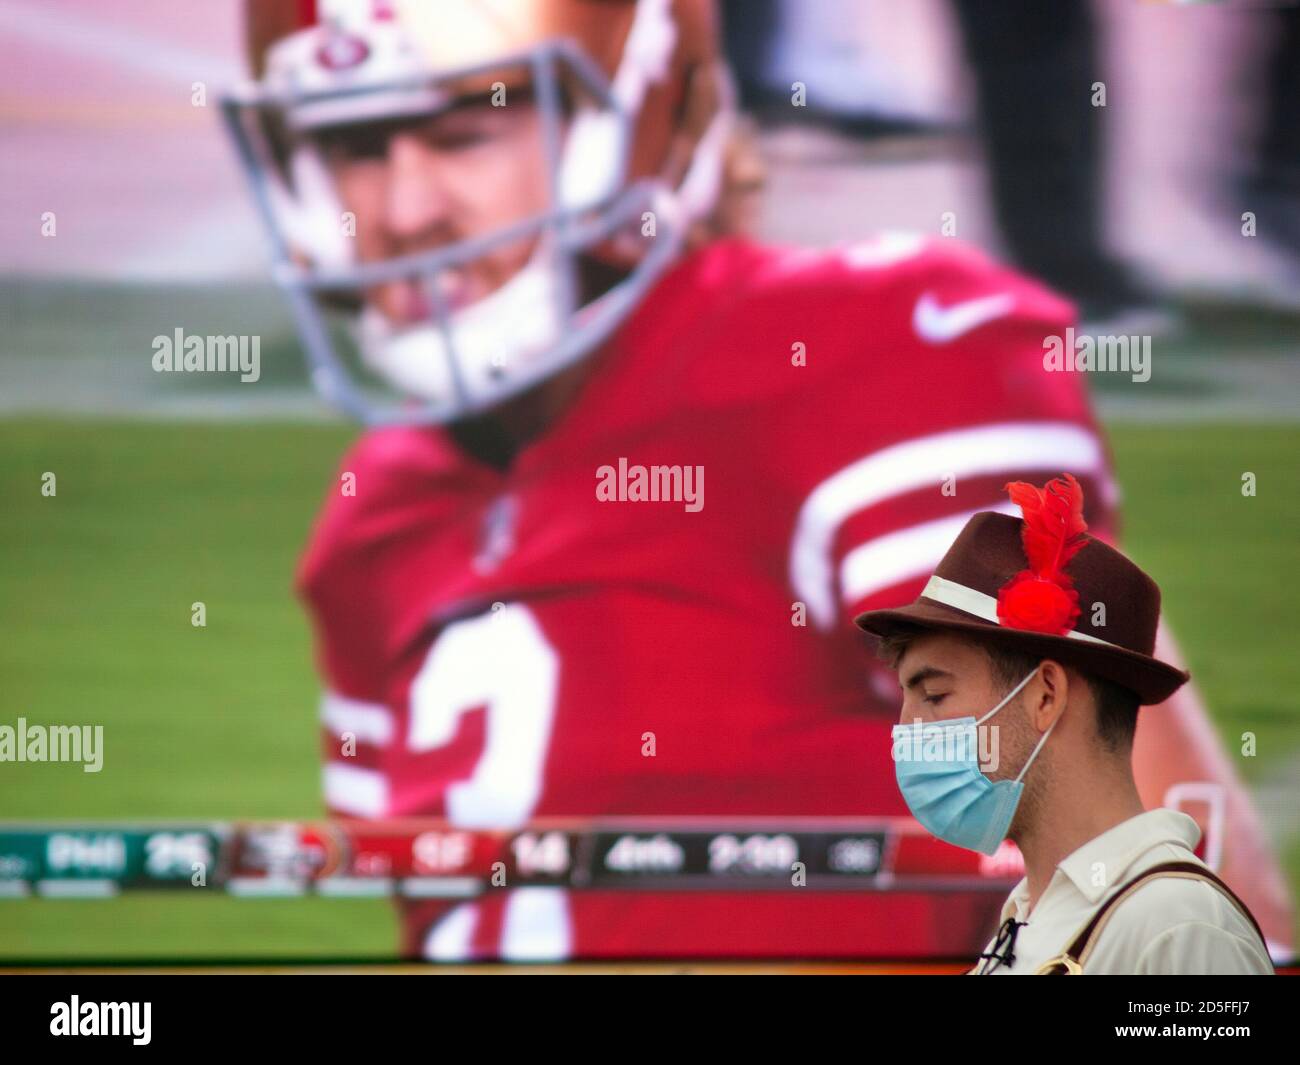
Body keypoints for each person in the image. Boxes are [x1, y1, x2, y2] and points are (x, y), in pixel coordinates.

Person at [221, 0, 1291, 961]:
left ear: (642, 113)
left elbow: (1170, 920)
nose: (403, 209)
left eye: (467, 131)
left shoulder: (855, 354)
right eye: (349, 144)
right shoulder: (374, 524)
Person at [859, 475, 1273, 974]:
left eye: (934, 694)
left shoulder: (1177, 928)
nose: (907, 729)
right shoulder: (1030, 914)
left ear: (1045, 696)